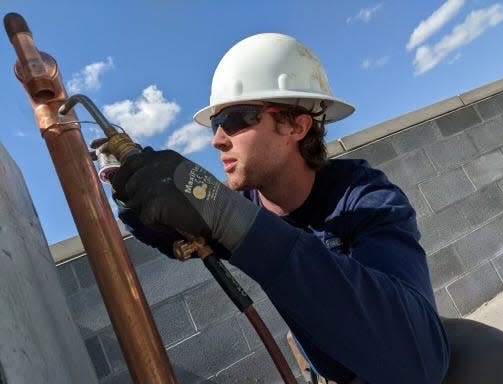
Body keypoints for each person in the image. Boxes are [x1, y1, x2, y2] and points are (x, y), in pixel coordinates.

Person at [112, 33, 450, 384]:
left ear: (297, 125)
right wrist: (132, 195)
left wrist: (232, 221)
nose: (216, 139)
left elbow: (418, 361)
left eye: (236, 119)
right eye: (215, 124)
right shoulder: (246, 206)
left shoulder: (366, 199)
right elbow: (171, 234)